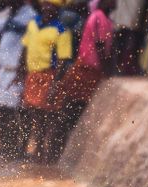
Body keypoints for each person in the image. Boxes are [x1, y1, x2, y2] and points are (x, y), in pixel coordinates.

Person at [21, 0, 71, 162]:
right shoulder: (33, 24)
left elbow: (63, 60)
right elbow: (25, 48)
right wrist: (22, 73)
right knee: (34, 115)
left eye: (52, 6)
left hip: (49, 75)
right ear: (41, 6)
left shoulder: (61, 30)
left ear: (57, 10)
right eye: (46, 5)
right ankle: (37, 150)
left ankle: (46, 153)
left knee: (48, 116)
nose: (48, 8)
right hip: (32, 75)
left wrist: (55, 84)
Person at [56, 0, 112, 144]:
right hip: (86, 69)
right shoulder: (98, 16)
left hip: (90, 69)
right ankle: (60, 147)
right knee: (73, 109)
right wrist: (107, 70)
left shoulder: (104, 18)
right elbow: (100, 45)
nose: (115, 2)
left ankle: (65, 145)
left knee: (76, 109)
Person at [0, 0, 35, 159]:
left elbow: (29, 46)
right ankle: (5, 148)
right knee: (2, 111)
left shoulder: (30, 15)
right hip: (3, 71)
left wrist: (22, 72)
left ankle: (20, 149)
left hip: (17, 71)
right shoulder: (7, 13)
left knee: (18, 113)